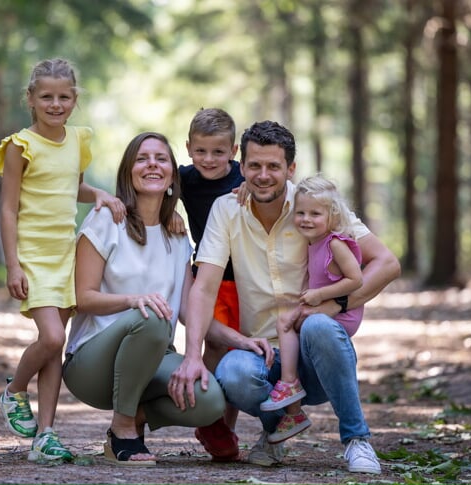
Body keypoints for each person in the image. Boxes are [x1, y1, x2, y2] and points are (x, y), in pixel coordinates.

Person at [169, 121, 401, 474]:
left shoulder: (315, 207)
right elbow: (204, 286)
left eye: (273, 166)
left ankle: (357, 440)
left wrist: (335, 305)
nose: (263, 175)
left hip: (316, 355)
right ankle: (275, 431)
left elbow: (386, 263)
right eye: (255, 166)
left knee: (320, 326)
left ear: (291, 169)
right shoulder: (226, 210)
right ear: (241, 167)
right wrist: (191, 356)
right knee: (233, 373)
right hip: (262, 354)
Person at [62, 132, 226, 466]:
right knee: (151, 316)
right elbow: (82, 297)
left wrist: (242, 341)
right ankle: (123, 430)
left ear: (171, 175)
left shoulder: (178, 236)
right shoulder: (107, 219)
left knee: (210, 402)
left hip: (148, 359)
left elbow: (191, 310)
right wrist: (134, 300)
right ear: (128, 172)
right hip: (92, 364)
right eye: (142, 158)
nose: (152, 164)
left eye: (161, 158)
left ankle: (133, 412)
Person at [0, 58, 125, 462]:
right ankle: (14, 391)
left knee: (56, 346)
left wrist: (99, 194)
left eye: (63, 97)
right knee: (50, 337)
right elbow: (8, 210)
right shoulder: (20, 146)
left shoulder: (77, 140)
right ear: (30, 99)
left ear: (74, 99)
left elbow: (73, 185)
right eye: (46, 96)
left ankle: (45, 436)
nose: (55, 104)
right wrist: (13, 264)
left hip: (65, 254)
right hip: (33, 256)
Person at [259, 174, 364, 445]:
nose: (306, 219)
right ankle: (289, 387)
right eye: (301, 212)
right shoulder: (312, 242)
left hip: (339, 317)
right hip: (320, 308)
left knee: (298, 323)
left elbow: (356, 280)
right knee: (285, 321)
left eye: (315, 213)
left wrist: (320, 295)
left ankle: (355, 436)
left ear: (332, 215)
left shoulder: (335, 244)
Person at [178, 108, 244, 461]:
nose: (209, 159)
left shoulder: (244, 178)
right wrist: (171, 213)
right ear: (188, 147)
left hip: (246, 277)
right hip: (209, 276)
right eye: (201, 151)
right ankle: (210, 418)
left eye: (219, 152)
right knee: (216, 344)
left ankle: (225, 428)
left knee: (238, 352)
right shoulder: (184, 179)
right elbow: (153, 194)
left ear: (233, 151)